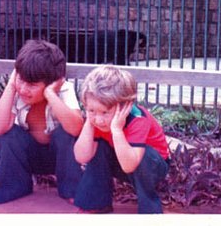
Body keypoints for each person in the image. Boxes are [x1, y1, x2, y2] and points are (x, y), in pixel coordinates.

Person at [0, 39, 84, 204]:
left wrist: (51, 95)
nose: (24, 88)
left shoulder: (63, 90)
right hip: (28, 158)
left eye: (32, 84)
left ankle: (72, 189)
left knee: (65, 133)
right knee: (7, 134)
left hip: (58, 159)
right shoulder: (16, 91)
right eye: (21, 80)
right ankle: (14, 186)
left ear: (52, 83)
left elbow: (76, 129)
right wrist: (11, 86)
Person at [73, 65, 170, 213]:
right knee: (98, 147)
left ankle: (150, 210)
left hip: (151, 166)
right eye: (91, 110)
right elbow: (81, 157)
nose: (98, 119)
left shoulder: (137, 119)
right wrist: (88, 122)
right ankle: (96, 203)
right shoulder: (95, 120)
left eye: (105, 112)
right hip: (122, 159)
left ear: (125, 107)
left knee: (144, 156)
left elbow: (130, 165)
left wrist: (117, 130)